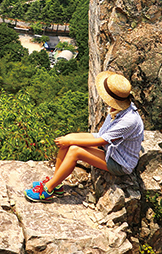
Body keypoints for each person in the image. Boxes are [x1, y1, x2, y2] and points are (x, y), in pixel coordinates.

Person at [24, 70, 145, 202]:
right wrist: (69, 139)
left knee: (74, 150)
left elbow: (101, 141)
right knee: (68, 137)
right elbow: (102, 136)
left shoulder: (129, 120)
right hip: (110, 148)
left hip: (119, 162)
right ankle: (56, 183)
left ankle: (47, 190)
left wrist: (71, 142)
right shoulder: (119, 108)